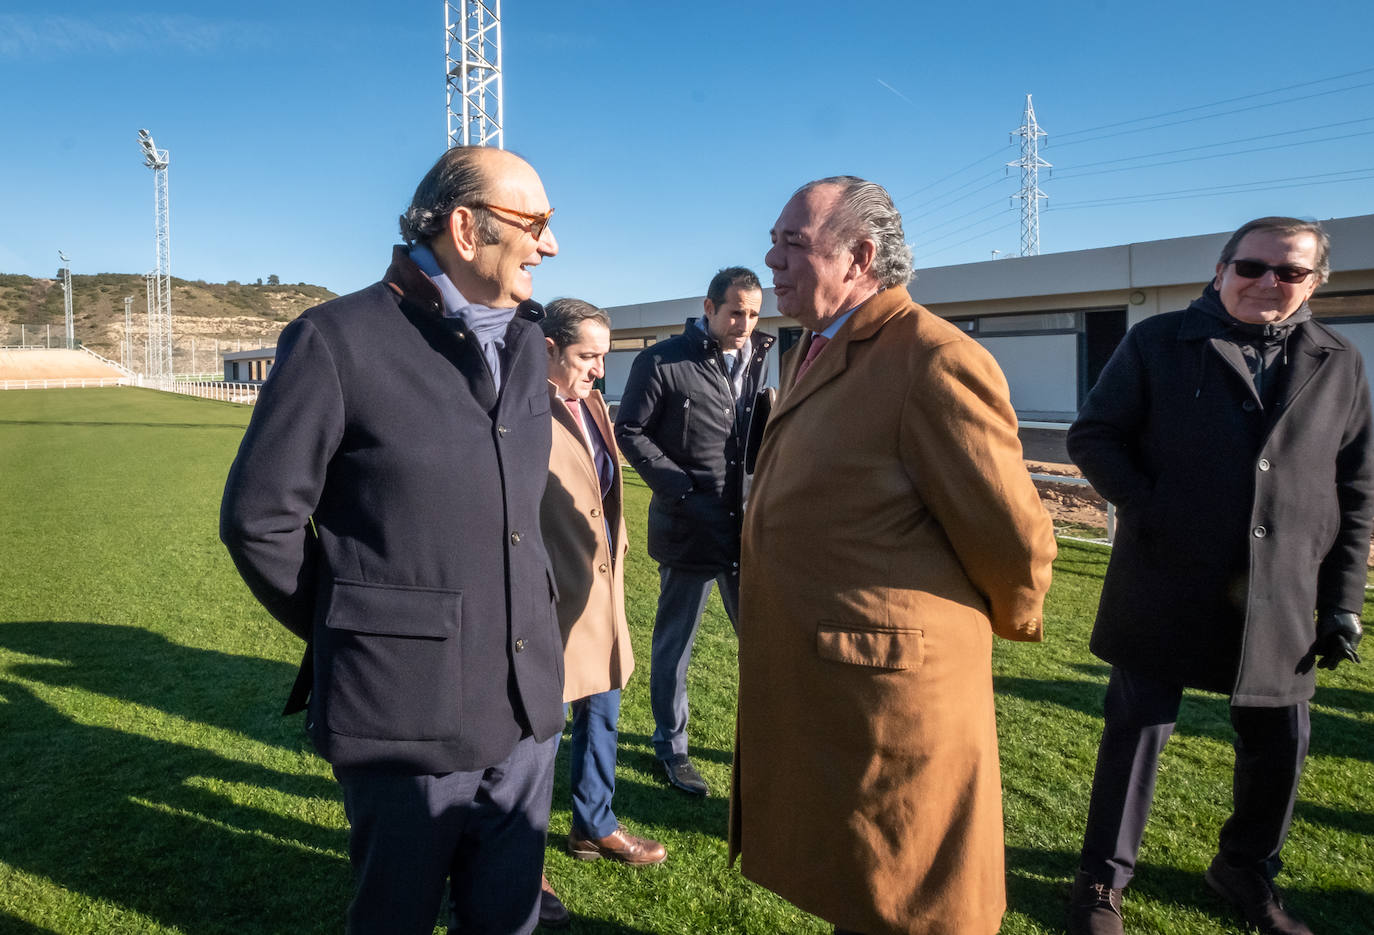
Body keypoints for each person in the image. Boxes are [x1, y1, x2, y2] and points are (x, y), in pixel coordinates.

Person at [219, 146, 565, 935]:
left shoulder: (524, 341)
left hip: (527, 712)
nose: (550, 245)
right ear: (465, 227)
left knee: (510, 919)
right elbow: (258, 519)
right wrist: (361, 632)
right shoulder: (335, 340)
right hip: (405, 719)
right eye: (538, 223)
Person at [730, 176, 1057, 935]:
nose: (771, 259)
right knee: (866, 888)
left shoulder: (931, 357)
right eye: (774, 240)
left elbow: (1016, 538)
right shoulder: (818, 345)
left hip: (893, 689)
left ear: (860, 256)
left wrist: (980, 629)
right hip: (842, 686)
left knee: (909, 897)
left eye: (793, 243)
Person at [1066, 217, 1371, 935]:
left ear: (1315, 283)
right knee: (1137, 731)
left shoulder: (1341, 361)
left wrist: (1344, 603)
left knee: (1279, 744)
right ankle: (1099, 882)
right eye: (1252, 265)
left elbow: (1356, 488)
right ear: (1220, 267)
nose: (1268, 281)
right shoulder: (1156, 341)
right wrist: (1151, 507)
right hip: (1165, 578)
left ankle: (1244, 868)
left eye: (1289, 272)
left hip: (1286, 593)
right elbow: (1093, 435)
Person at [614, 266, 774, 796]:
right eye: (735, 312)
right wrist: (678, 487)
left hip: (745, 532)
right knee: (674, 650)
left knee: (763, 643)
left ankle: (769, 741)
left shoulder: (758, 358)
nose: (744, 323)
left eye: (752, 313)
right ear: (708, 308)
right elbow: (630, 431)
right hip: (688, 530)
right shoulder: (660, 361)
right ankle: (672, 749)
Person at [537, 298, 667, 925]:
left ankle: (595, 825)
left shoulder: (590, 404)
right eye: (586, 357)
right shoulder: (518, 408)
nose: (597, 371)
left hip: (601, 598)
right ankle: (520, 864)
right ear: (548, 351)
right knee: (532, 740)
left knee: (604, 715)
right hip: (544, 602)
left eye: (603, 359)